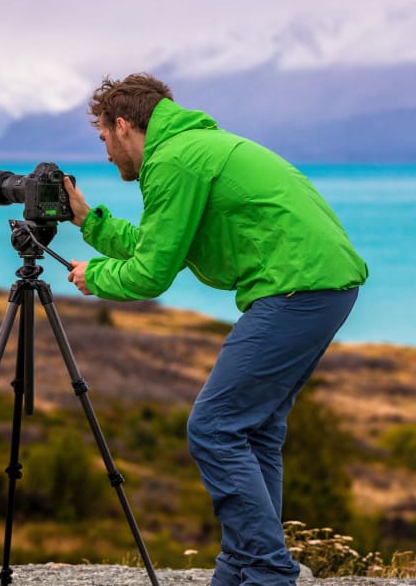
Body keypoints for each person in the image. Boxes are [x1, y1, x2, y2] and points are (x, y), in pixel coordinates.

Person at [64, 73, 367, 586]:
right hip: (323, 285)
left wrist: (95, 276)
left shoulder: (172, 161)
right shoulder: (193, 148)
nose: (106, 156)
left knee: (214, 426)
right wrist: (88, 221)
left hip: (296, 288)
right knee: (255, 432)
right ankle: (242, 566)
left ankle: (269, 572)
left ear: (122, 126)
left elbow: (151, 273)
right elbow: (162, 243)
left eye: (103, 141)